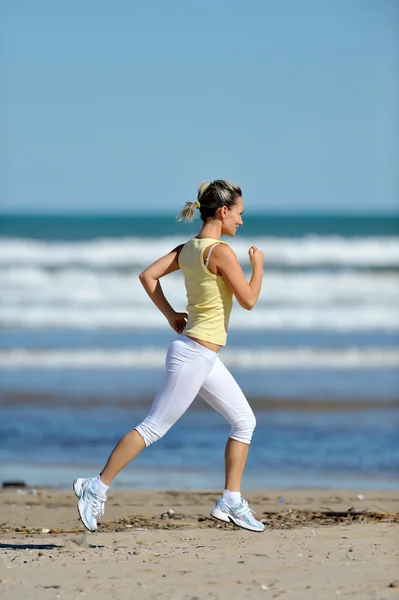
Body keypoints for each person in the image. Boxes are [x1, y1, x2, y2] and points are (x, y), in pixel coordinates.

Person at [73, 180, 265, 533]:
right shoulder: (221, 252)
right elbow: (249, 300)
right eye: (239, 214)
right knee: (152, 427)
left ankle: (231, 501)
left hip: (201, 356)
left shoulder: (189, 249)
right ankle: (95, 486)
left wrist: (171, 315)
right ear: (223, 212)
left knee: (244, 422)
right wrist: (259, 266)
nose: (241, 221)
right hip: (194, 355)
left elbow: (148, 276)